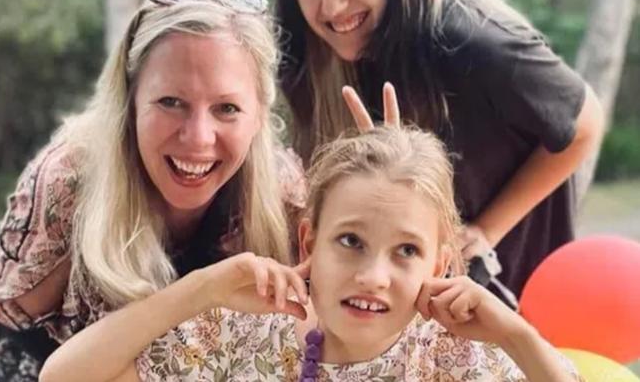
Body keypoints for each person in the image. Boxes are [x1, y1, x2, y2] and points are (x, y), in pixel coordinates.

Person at [40, 126, 582, 381]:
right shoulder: (239, 336)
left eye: (406, 251)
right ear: (308, 243)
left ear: (439, 266)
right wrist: (198, 289)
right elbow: (63, 378)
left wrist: (516, 335)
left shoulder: (459, 358)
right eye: (350, 242)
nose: (373, 276)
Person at [273, 0, 604, 299]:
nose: (333, 4)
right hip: (404, 306)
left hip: (514, 295)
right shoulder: (305, 64)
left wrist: (486, 230)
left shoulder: (471, 40)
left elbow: (584, 124)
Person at [0, 0, 306, 380]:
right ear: (131, 101)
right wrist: (198, 292)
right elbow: (6, 340)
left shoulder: (285, 195)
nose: (197, 138)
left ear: (259, 114)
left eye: (226, 108)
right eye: (171, 102)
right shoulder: (69, 183)